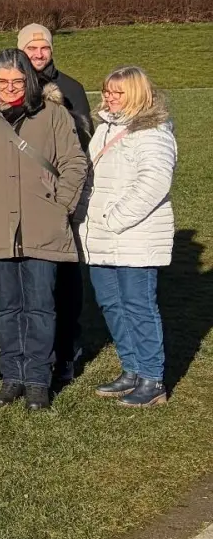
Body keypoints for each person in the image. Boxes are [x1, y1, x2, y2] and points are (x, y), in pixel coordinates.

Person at [0, 50, 89, 410]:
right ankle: (12, 376)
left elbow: (74, 162)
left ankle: (37, 378)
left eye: (18, 82)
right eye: (2, 82)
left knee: (40, 305)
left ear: (30, 81)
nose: (9, 89)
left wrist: (60, 204)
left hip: (43, 221)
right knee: (5, 307)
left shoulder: (53, 114)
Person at [80, 67, 177, 408]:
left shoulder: (152, 132)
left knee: (138, 306)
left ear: (136, 94)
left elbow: (154, 183)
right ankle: (132, 368)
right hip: (101, 237)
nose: (108, 97)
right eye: (107, 90)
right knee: (111, 304)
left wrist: (115, 219)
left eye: (117, 92)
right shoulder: (106, 127)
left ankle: (152, 378)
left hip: (134, 236)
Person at [19, 22, 93, 384]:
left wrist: (67, 199)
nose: (37, 54)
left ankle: (66, 347)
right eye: (31, 48)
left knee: (64, 277)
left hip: (60, 198)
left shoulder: (72, 88)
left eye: (43, 48)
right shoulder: (9, 88)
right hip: (21, 200)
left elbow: (82, 144)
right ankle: (29, 349)